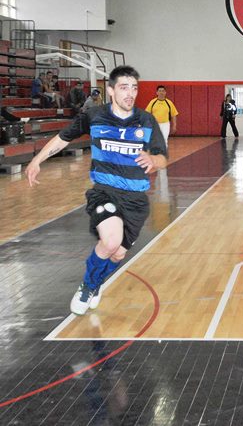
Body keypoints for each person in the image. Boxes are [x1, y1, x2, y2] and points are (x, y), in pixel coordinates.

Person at [25, 65, 168, 315]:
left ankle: (96, 282)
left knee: (117, 255)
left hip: (136, 200)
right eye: (124, 88)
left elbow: (163, 157)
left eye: (134, 88)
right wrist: (37, 160)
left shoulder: (146, 120)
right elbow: (62, 138)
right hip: (105, 191)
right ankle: (87, 285)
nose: (130, 93)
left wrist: (153, 160)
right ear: (111, 90)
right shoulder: (94, 116)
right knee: (110, 241)